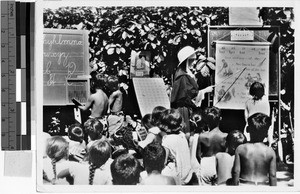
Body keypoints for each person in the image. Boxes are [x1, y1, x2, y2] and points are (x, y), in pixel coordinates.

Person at [171, 46, 214, 137]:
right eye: (192, 60)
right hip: (183, 109)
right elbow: (189, 94)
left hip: (186, 108)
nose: (194, 62)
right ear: (187, 60)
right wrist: (205, 90)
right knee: (186, 132)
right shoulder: (182, 76)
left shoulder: (184, 73)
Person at [231, 113, 277, 186]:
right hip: (263, 187)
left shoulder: (241, 149)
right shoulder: (270, 152)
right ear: (266, 133)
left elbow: (236, 172)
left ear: (248, 129)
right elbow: (273, 175)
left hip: (244, 185)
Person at [159, 108, 194, 185]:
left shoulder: (167, 140)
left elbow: (164, 161)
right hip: (187, 173)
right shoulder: (182, 135)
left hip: (177, 176)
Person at [196, 106, 228, 185]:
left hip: (206, 164)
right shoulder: (225, 136)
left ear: (206, 120)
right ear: (220, 119)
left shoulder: (202, 136)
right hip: (220, 164)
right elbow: (227, 154)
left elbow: (197, 155)